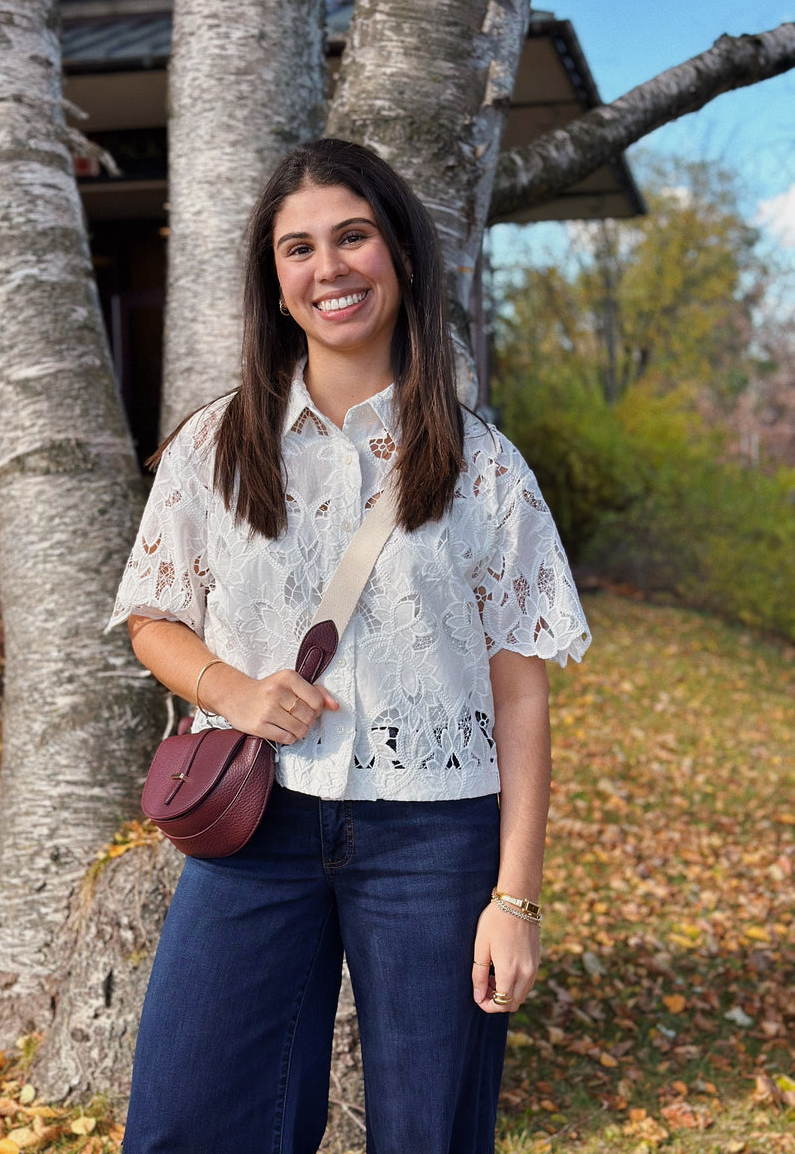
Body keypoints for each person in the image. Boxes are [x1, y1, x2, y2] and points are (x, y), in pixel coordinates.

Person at [109, 138, 590, 1154]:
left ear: (401, 257)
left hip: (435, 840)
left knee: (431, 1130)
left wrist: (516, 898)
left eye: (353, 237)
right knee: (190, 1120)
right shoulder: (214, 446)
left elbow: (521, 697)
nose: (328, 267)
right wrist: (232, 691)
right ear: (274, 283)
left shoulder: (485, 469)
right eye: (298, 249)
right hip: (253, 828)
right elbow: (152, 617)